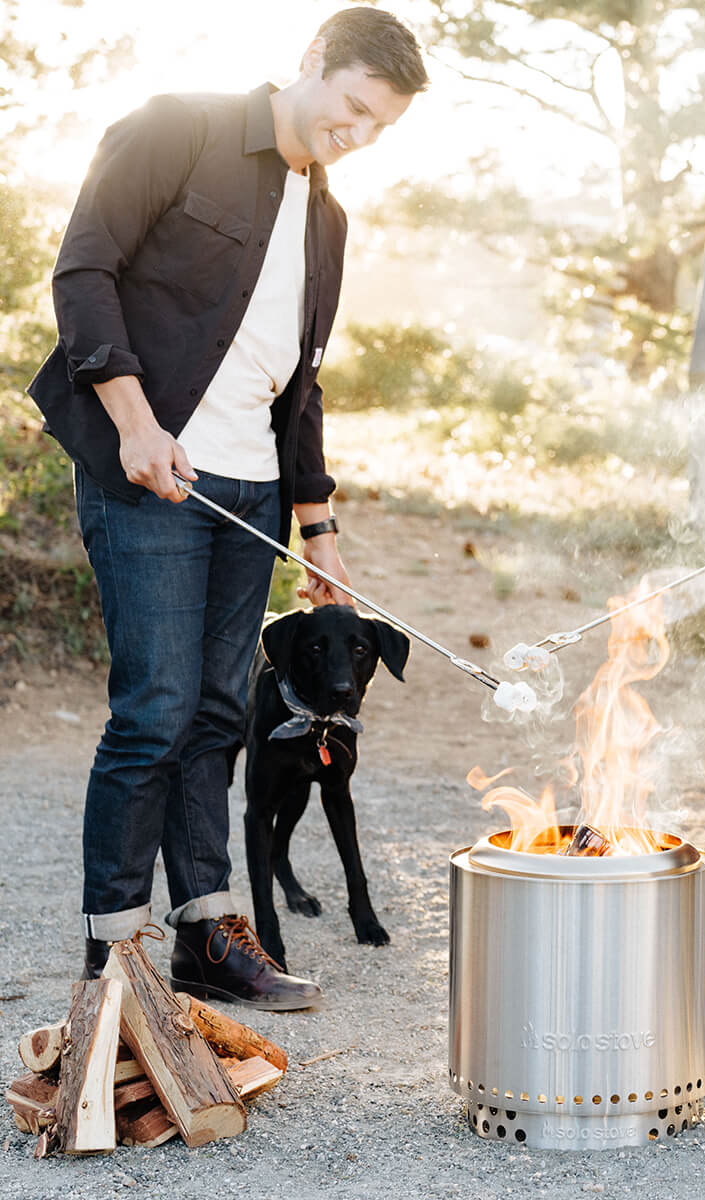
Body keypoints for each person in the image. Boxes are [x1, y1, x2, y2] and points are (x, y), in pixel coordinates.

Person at [27, 7, 429, 1009]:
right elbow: (84, 270)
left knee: (217, 717)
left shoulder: (328, 220)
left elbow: (303, 385)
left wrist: (318, 528)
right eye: (352, 108)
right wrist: (132, 420)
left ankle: (206, 936)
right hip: (152, 476)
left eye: (380, 126)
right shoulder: (179, 127)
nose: (357, 135)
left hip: (252, 491)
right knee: (155, 713)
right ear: (312, 60)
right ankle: (115, 955)